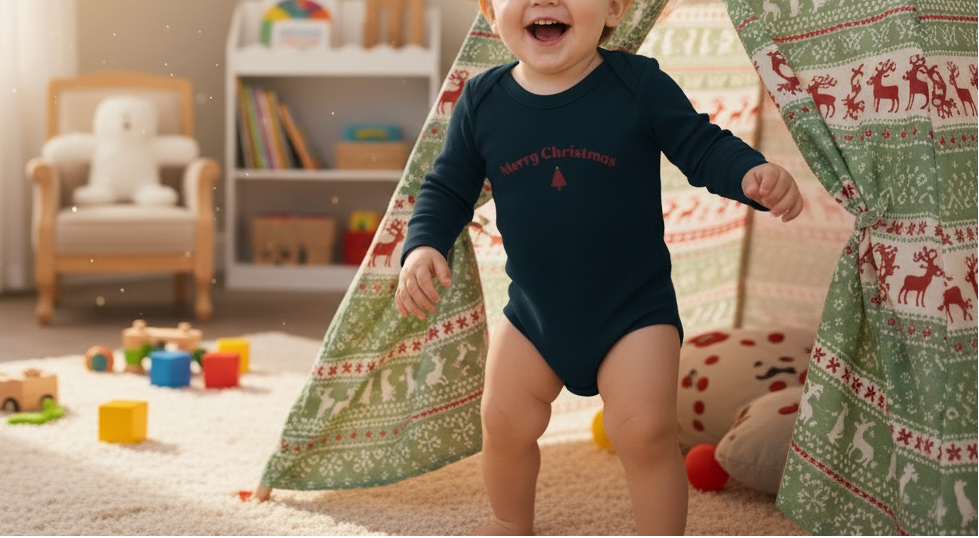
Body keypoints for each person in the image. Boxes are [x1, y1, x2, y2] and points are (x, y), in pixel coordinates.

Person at [397, 0, 803, 534]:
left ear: (613, 8)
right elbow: (447, 187)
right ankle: (508, 521)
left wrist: (751, 172)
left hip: (633, 314)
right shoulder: (482, 99)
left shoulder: (637, 84)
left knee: (645, 431)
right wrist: (423, 245)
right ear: (491, 13)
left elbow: (701, 145)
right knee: (502, 422)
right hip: (533, 316)